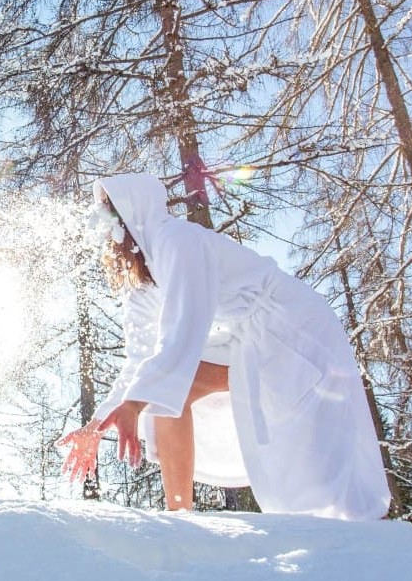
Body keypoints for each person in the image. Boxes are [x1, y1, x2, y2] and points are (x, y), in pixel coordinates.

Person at [59, 173, 390, 520]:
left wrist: (136, 401)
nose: (106, 228)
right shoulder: (145, 281)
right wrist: (95, 426)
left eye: (110, 215)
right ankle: (179, 516)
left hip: (293, 325)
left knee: (311, 434)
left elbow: (183, 329)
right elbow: (140, 360)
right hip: (250, 339)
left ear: (132, 210)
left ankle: (362, 525)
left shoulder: (177, 240)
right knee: (167, 392)